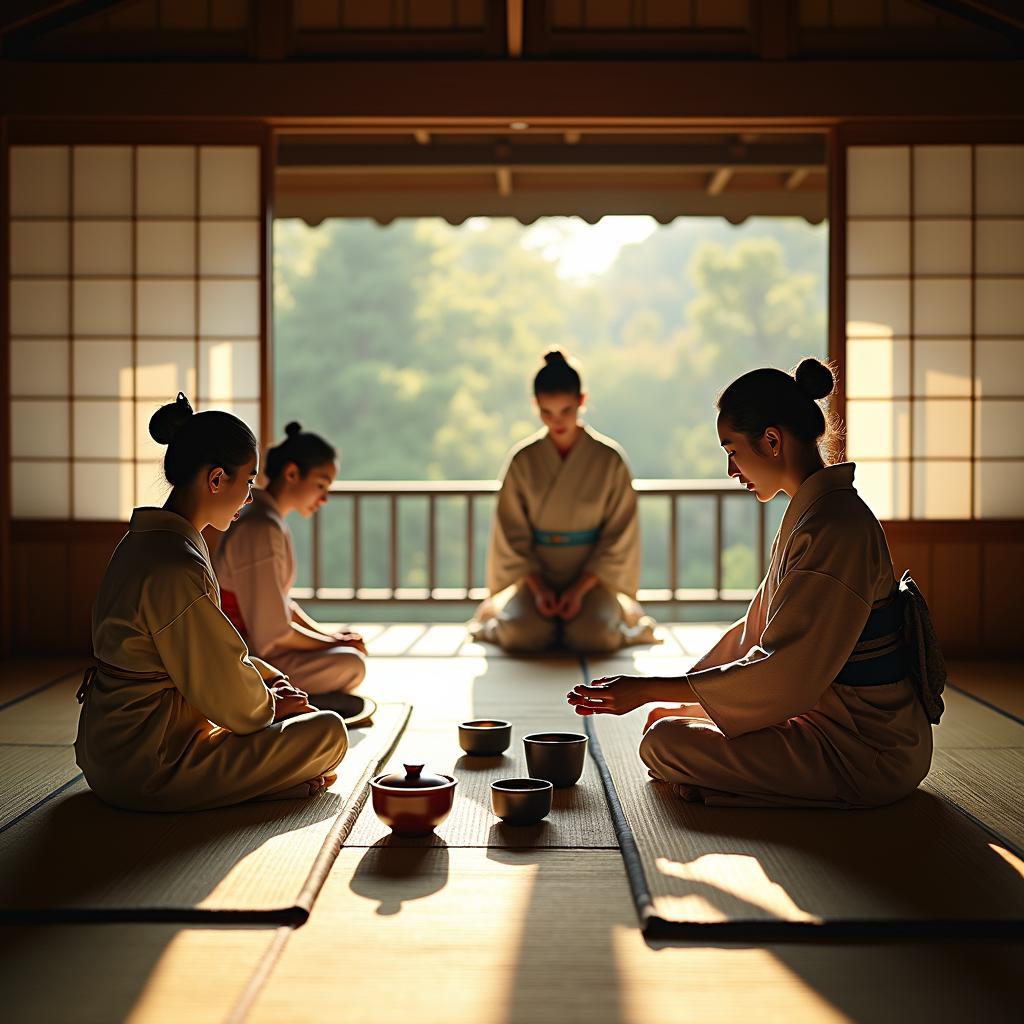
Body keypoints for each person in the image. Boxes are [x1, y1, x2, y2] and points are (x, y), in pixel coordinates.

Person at [567, 358, 945, 808]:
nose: (731, 470)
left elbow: (783, 671)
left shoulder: (835, 527)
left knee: (663, 745)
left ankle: (728, 788)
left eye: (732, 451)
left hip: (865, 752)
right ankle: (723, 783)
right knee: (666, 727)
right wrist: (686, 702)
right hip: (828, 724)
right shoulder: (815, 516)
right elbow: (754, 630)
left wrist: (649, 687)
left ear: (771, 441)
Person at [74, 394, 348, 812]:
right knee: (329, 733)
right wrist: (274, 707)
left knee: (276, 688)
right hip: (148, 765)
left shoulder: (144, 543)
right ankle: (267, 783)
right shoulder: (175, 565)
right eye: (248, 483)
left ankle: (270, 781)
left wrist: (272, 681)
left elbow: (209, 660)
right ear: (217, 480)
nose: (249, 497)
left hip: (110, 752)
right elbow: (226, 694)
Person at [472, 349, 654, 654]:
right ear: (535, 406)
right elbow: (511, 532)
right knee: (521, 635)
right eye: (547, 412)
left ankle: (632, 625)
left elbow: (618, 534)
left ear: (582, 401)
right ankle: (493, 620)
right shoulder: (523, 459)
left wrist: (581, 588)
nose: (557, 421)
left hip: (593, 579)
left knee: (595, 637)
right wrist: (539, 589)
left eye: (566, 410)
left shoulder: (609, 459)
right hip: (534, 577)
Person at [213, 423, 368, 716]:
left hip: (263, 645)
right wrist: (329, 644)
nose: (324, 499)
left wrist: (331, 638)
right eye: (321, 485)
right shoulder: (260, 528)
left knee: (346, 653)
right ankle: (283, 700)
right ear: (292, 473)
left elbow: (283, 606)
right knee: (352, 665)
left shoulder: (266, 520)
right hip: (250, 656)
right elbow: (273, 632)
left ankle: (304, 698)